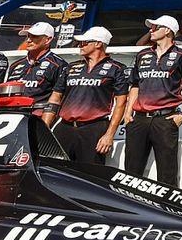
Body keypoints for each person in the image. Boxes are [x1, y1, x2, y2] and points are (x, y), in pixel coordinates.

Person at [123, 15, 182, 186]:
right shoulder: (142, 54)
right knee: (131, 171)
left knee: (167, 172)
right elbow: (134, 85)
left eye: (156, 28)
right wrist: (128, 112)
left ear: (168, 31)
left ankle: (165, 210)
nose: (151, 30)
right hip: (139, 118)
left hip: (166, 119)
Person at [44, 26, 128, 164]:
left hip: (94, 128)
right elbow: (55, 97)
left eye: (84, 42)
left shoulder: (117, 69)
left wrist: (109, 134)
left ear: (98, 44)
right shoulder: (70, 67)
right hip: (64, 127)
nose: (80, 45)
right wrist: (45, 127)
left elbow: (121, 103)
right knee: (55, 171)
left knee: (89, 175)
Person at [5, 22, 66, 118]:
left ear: (48, 40)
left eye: (34, 37)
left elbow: (58, 98)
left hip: (37, 119)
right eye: (28, 36)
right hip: (11, 117)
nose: (28, 40)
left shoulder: (58, 65)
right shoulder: (15, 65)